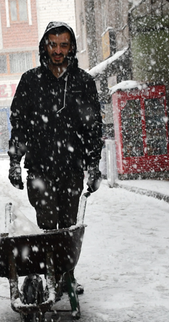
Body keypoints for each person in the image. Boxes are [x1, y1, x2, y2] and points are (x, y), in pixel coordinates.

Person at [8, 21, 104, 294]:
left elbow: (93, 128)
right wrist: (15, 162)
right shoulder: (30, 81)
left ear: (71, 47)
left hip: (71, 168)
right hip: (39, 167)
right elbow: (20, 124)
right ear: (45, 46)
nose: (58, 51)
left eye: (64, 45)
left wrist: (93, 166)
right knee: (48, 221)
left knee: (67, 225)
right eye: (53, 45)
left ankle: (66, 276)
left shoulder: (83, 83)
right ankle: (50, 273)